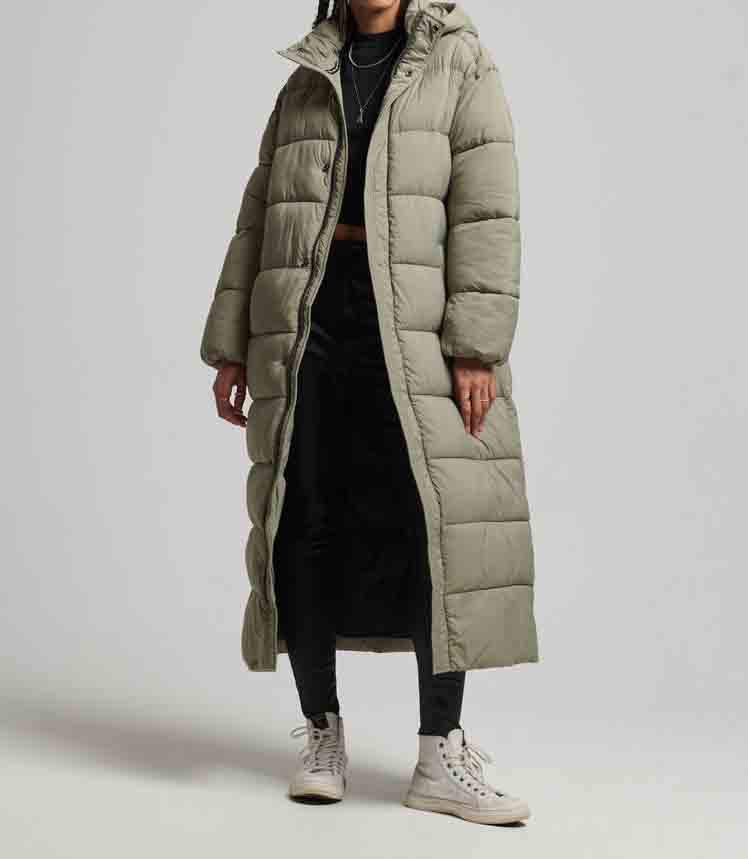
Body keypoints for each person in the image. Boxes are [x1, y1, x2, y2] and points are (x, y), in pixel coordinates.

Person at [199, 0, 539, 825]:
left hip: (414, 323)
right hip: (309, 318)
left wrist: (475, 344)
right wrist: (234, 341)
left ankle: (440, 750)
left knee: (437, 520)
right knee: (303, 515)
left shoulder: (460, 62)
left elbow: (488, 205)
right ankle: (321, 731)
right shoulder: (308, 75)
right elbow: (261, 211)